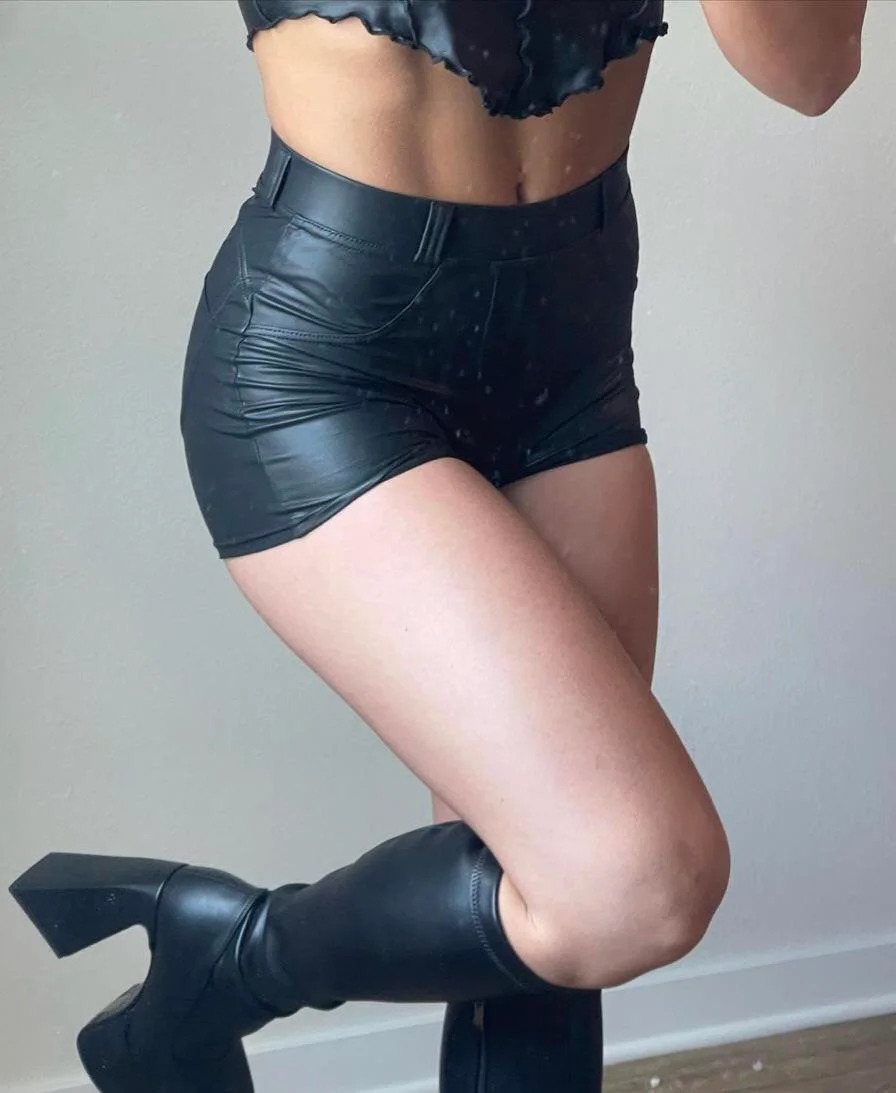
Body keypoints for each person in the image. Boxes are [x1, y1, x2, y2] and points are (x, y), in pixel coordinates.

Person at [9, 2, 866, 1091]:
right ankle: (233, 958)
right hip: (328, 365)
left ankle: (221, 954)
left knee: (536, 911)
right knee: (631, 880)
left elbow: (810, 72)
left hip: (573, 351)